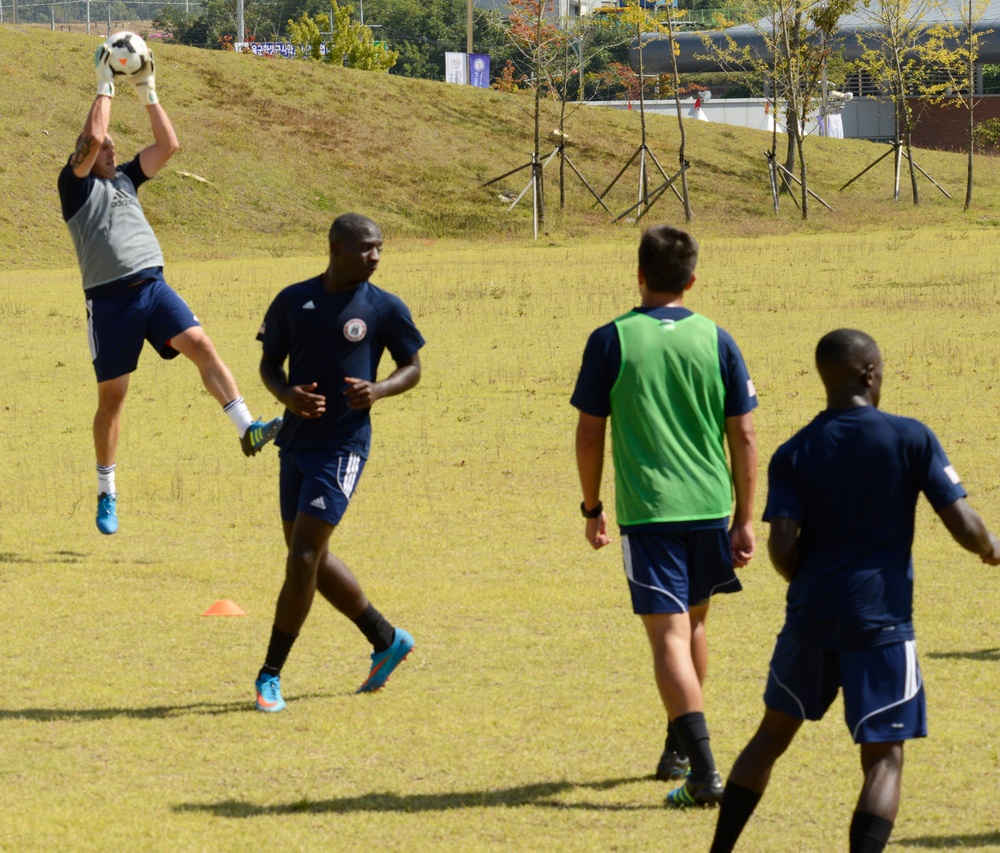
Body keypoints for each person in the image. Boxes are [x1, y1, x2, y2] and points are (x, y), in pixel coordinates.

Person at [710, 329, 1000, 853]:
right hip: (881, 622)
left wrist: (811, 585)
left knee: (770, 737)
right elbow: (962, 523)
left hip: (810, 618)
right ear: (869, 374)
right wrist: (989, 546)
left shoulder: (794, 450)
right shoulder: (911, 438)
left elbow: (781, 548)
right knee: (883, 760)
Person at [57, 42, 281, 536]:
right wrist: (104, 83)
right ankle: (107, 491)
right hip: (110, 302)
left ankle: (247, 429)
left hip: (153, 287)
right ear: (86, 157)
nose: (113, 150)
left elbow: (168, 146)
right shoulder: (75, 187)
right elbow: (93, 135)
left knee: (201, 343)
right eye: (105, 149)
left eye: (117, 147)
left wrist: (147, 89)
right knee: (113, 397)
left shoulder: (127, 182)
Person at [571, 225, 758, 807]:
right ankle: (680, 745)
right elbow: (745, 437)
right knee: (695, 626)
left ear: (639, 275)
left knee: (668, 636)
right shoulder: (717, 339)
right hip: (710, 506)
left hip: (650, 513)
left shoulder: (612, 339)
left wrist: (592, 507)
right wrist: (745, 517)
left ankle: (703, 773)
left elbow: (588, 433)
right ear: (692, 280)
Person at [252, 213, 425, 713]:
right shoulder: (292, 300)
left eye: (379, 248)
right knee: (309, 555)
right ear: (336, 247)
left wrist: (380, 389)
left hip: (344, 446)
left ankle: (270, 675)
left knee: (303, 557)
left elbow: (412, 366)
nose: (375, 256)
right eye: (366, 248)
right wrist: (286, 394)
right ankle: (385, 637)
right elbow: (269, 364)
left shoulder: (384, 307)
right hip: (297, 444)